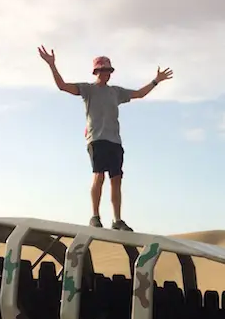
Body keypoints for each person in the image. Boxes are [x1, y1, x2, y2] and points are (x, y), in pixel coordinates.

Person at [37, 45, 174, 231]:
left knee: (116, 179)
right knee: (98, 176)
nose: (105, 74)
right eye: (102, 70)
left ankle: (117, 220)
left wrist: (156, 81)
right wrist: (52, 65)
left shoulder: (116, 92)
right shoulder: (88, 90)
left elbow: (139, 94)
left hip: (115, 141)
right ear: (96, 71)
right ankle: (95, 216)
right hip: (96, 139)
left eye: (108, 70)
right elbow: (62, 86)